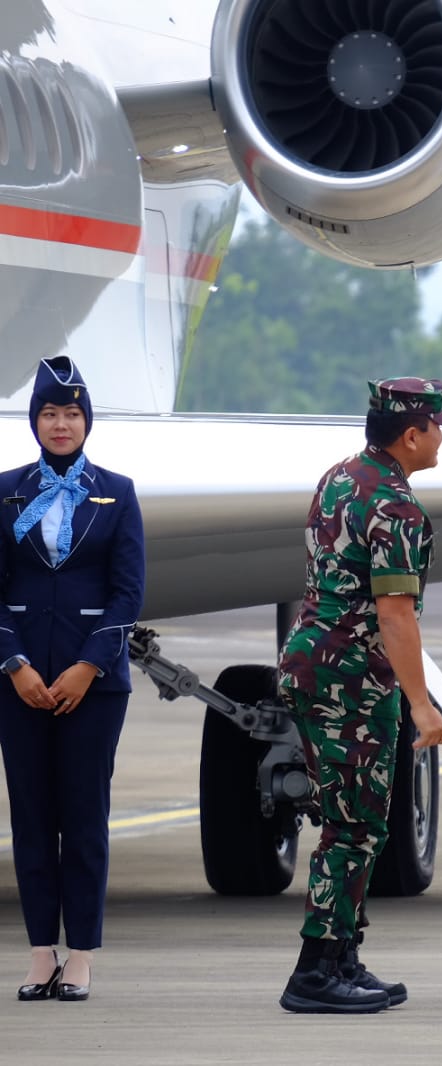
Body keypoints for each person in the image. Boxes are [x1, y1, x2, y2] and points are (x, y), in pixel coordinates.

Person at [275, 377, 442, 1014]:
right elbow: (395, 614)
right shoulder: (396, 505)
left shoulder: (341, 476)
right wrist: (422, 703)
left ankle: (343, 953)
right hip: (349, 676)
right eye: (438, 425)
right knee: (355, 826)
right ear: (413, 434)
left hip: (314, 662)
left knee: (355, 819)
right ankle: (316, 971)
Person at [0, 356, 144, 1003]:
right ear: (35, 421)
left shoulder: (118, 492)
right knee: (31, 817)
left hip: (95, 687)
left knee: (84, 817)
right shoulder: (6, 491)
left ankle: (80, 954)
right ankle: (39, 954)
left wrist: (89, 666)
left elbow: (128, 592)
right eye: (50, 414)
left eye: (72, 414)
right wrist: (16, 665)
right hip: (18, 683)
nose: (61, 424)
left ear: (88, 422)